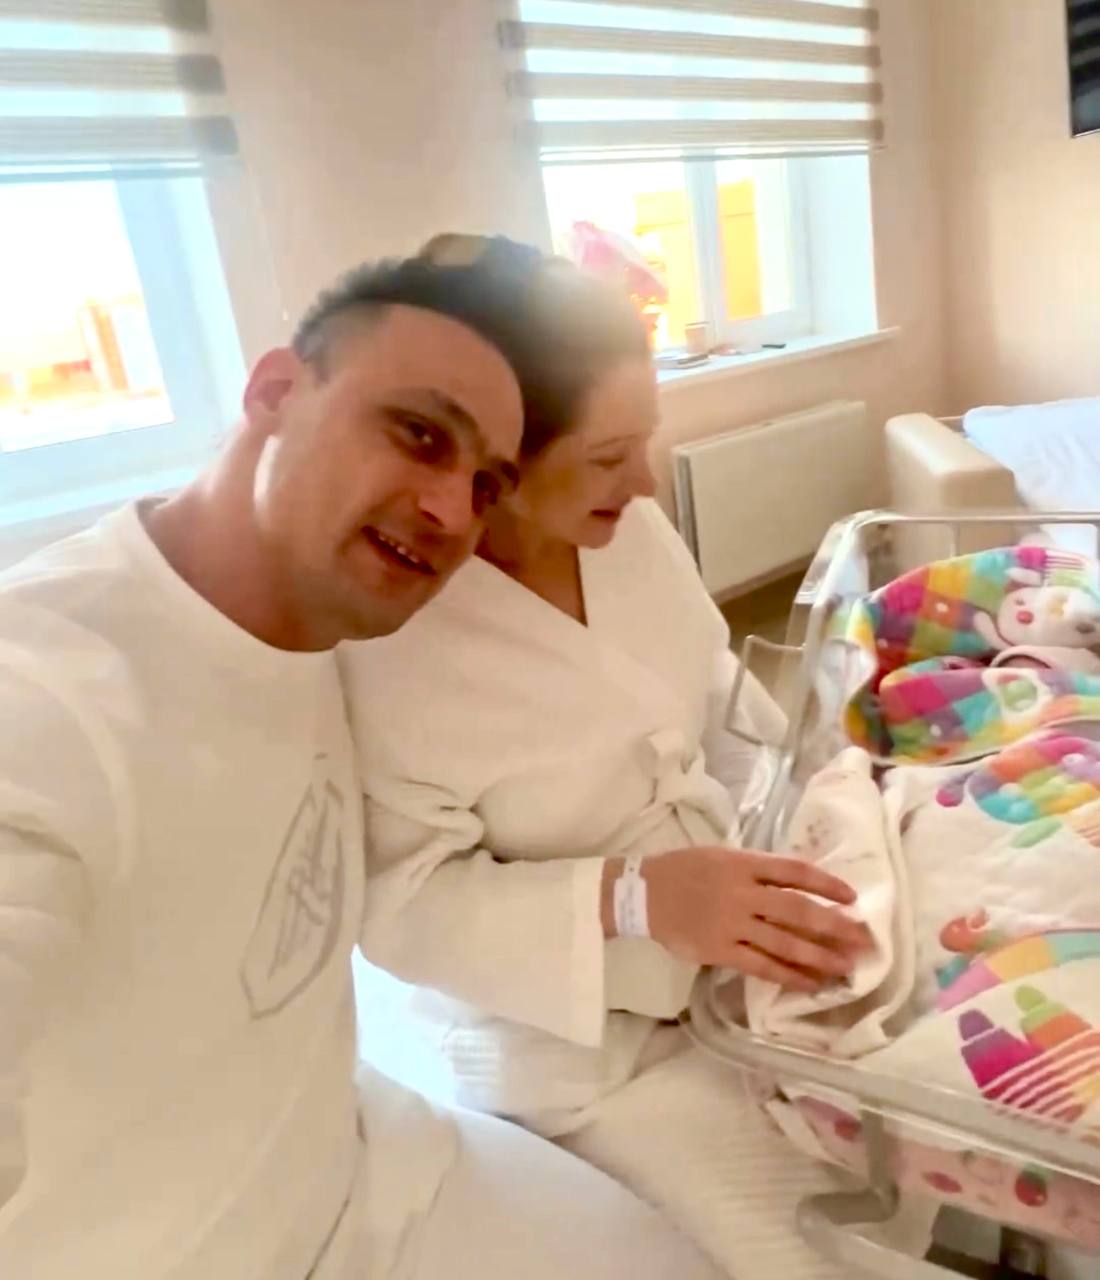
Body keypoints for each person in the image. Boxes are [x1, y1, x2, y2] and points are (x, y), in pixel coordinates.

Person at [0, 242, 722, 1279]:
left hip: (371, 1163)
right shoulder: (48, 694)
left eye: (486, 483)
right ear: (275, 391)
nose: (449, 511)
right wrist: (634, 899)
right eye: (418, 432)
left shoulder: (320, 640)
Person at [341, 243, 902, 1276]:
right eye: (608, 457)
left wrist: (813, 803)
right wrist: (636, 899)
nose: (643, 482)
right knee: (811, 1230)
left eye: (643, 443)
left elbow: (714, 689)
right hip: (579, 1041)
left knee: (923, 1081)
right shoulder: (389, 642)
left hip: (736, 926)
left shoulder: (628, 530)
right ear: (492, 461)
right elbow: (403, 905)